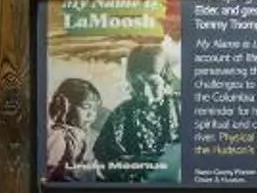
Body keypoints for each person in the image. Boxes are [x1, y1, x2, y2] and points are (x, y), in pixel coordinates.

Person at [93, 41, 177, 182]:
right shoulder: (122, 114)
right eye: (138, 85)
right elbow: (104, 159)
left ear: (165, 81)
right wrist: (134, 164)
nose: (146, 93)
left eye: (153, 84)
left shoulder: (180, 108)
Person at [44, 76, 103, 183]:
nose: (91, 114)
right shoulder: (60, 136)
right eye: (86, 107)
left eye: (95, 109)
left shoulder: (89, 136)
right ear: (67, 105)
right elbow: (47, 174)